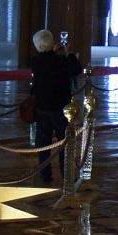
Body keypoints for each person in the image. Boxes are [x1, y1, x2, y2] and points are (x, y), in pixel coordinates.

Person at [29, 29, 83, 183]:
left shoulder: (35, 61)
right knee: (64, 142)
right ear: (52, 42)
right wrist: (68, 52)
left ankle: (45, 175)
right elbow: (77, 69)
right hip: (60, 108)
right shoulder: (61, 61)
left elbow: (46, 60)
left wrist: (51, 51)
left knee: (43, 144)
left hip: (41, 107)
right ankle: (66, 174)